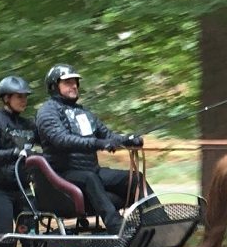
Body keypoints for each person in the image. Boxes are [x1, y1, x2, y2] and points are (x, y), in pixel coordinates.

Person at [35, 64, 146, 235]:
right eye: (67, 82)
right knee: (89, 178)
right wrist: (98, 143)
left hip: (91, 170)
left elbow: (107, 135)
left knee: (134, 178)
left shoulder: (83, 112)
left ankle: (157, 221)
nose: (73, 86)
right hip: (63, 174)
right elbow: (61, 140)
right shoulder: (47, 112)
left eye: (75, 82)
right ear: (54, 86)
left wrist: (128, 139)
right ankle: (118, 228)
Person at [0, 75, 38, 234]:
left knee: (32, 239)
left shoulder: (28, 124)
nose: (24, 101)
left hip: (24, 189)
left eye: (25, 97)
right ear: (6, 98)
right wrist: (16, 153)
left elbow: (48, 142)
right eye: (19, 97)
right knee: (5, 238)